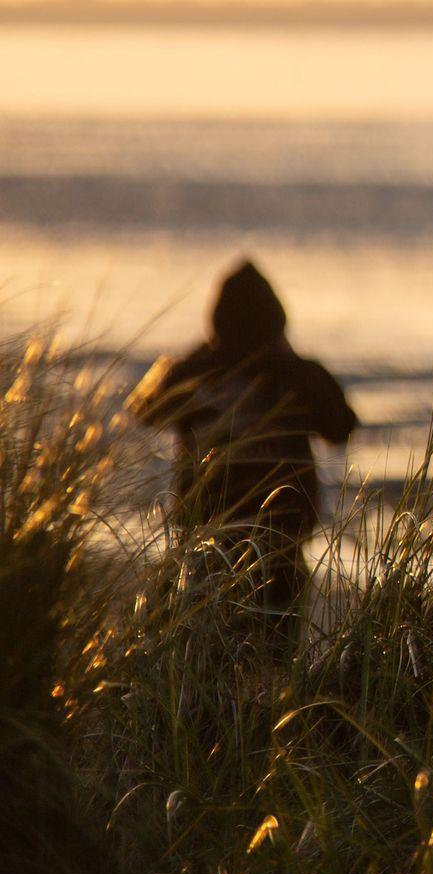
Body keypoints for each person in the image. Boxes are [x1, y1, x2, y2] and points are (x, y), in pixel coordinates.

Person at [127, 259, 358, 637]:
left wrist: (198, 357)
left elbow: (143, 408)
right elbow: (342, 427)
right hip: (280, 540)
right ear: (277, 319)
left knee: (207, 647)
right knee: (274, 649)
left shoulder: (194, 372)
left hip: (206, 539)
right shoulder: (298, 376)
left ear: (217, 319)